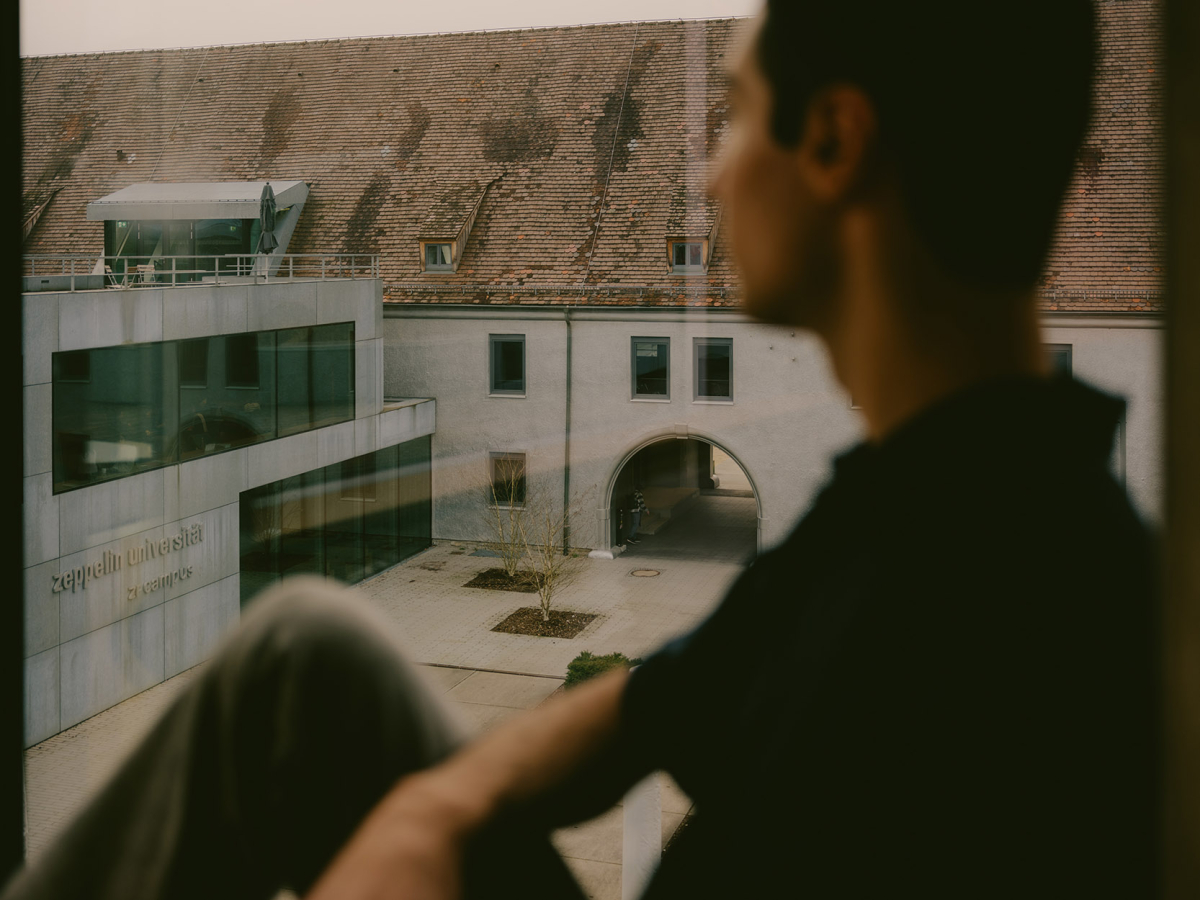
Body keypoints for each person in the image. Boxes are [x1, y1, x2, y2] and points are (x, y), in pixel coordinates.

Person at [3, 2, 1158, 899]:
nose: (707, 174)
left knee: (290, 668)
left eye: (736, 117)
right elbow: (645, 707)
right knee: (311, 655)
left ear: (834, 142)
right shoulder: (929, 505)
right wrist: (435, 812)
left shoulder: (1016, 616)